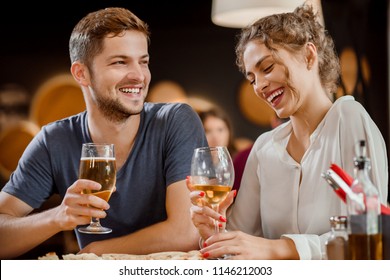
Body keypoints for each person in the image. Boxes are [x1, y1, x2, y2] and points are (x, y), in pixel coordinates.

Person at [0, 7, 208, 259]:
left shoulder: (175, 120)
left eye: (143, 62)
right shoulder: (54, 140)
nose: (139, 76)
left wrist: (94, 252)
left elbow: (185, 233)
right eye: (120, 62)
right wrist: (57, 217)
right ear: (81, 73)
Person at [188, 4, 388, 260]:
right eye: (252, 79)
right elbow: (240, 238)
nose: (259, 86)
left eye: (268, 68)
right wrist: (213, 232)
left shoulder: (348, 118)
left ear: (308, 55)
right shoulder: (264, 148)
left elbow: (368, 238)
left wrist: (279, 249)